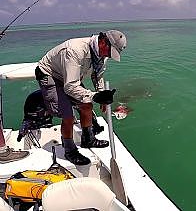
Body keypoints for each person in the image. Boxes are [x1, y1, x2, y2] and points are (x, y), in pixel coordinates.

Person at [35, 30, 127, 165]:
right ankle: (69, 150)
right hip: (50, 74)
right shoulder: (75, 50)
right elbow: (69, 87)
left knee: (86, 105)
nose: (108, 55)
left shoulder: (101, 54)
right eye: (110, 51)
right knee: (68, 115)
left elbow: (97, 75)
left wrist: (101, 93)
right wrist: (95, 96)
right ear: (103, 41)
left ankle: (88, 139)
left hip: (69, 77)